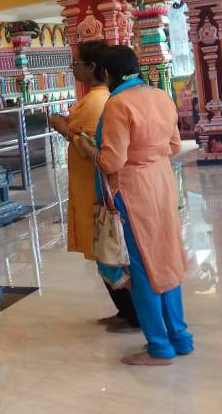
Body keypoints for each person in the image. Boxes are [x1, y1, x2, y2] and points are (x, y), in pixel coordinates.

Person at [74, 46, 193, 366]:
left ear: (107, 73)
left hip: (133, 192)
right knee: (166, 260)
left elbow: (112, 161)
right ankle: (180, 338)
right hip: (162, 184)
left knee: (143, 269)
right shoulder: (161, 96)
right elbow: (174, 146)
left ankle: (159, 347)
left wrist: (89, 149)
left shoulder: (119, 104)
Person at [48, 41, 139, 330]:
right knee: (108, 250)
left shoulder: (98, 101)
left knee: (109, 251)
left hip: (99, 190)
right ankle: (126, 312)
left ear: (94, 68)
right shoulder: (105, 98)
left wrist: (63, 127)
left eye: (77, 63)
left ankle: (132, 313)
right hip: (98, 187)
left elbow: (87, 143)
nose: (73, 67)